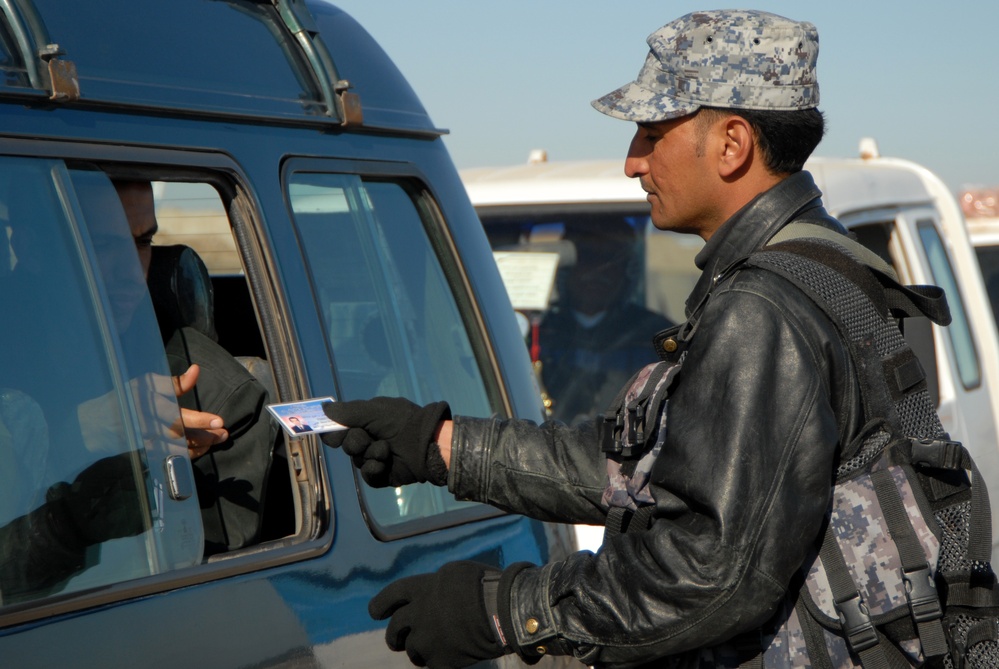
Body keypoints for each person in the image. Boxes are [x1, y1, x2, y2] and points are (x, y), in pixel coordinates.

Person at [321, 10, 867, 667]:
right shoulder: (823, 263)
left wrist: (506, 609)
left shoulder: (762, 307)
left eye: (651, 131)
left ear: (731, 144)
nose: (632, 162)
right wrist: (440, 445)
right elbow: (649, 469)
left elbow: (712, 572)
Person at [113, 179, 279, 556]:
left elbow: (202, 565)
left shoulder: (211, 393)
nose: (130, 270)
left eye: (142, 242)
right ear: (27, 244)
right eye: (104, 245)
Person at [539, 219, 673, 425]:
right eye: (587, 257)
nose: (598, 271)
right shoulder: (535, 333)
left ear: (628, 271)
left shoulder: (656, 338)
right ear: (566, 268)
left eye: (610, 259)